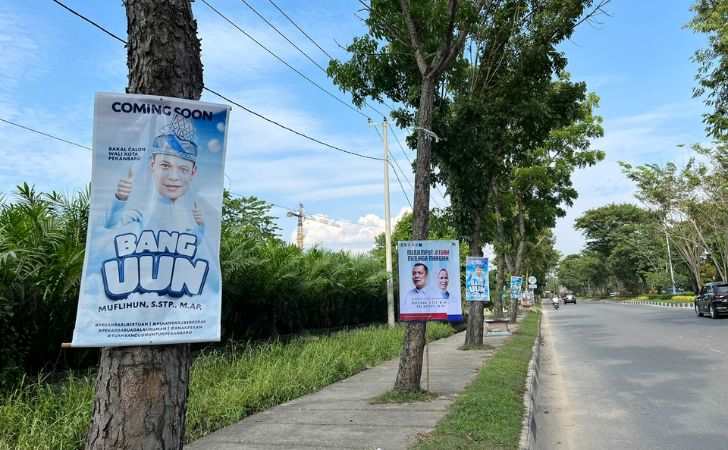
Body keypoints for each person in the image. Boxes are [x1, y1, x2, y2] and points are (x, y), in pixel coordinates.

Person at [105, 126, 205, 238]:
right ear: (152, 164)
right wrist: (120, 198)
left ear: (193, 172)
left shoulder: (186, 214)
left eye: (183, 169)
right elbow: (111, 225)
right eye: (165, 166)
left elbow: (194, 241)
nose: (173, 177)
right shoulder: (143, 206)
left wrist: (200, 226)